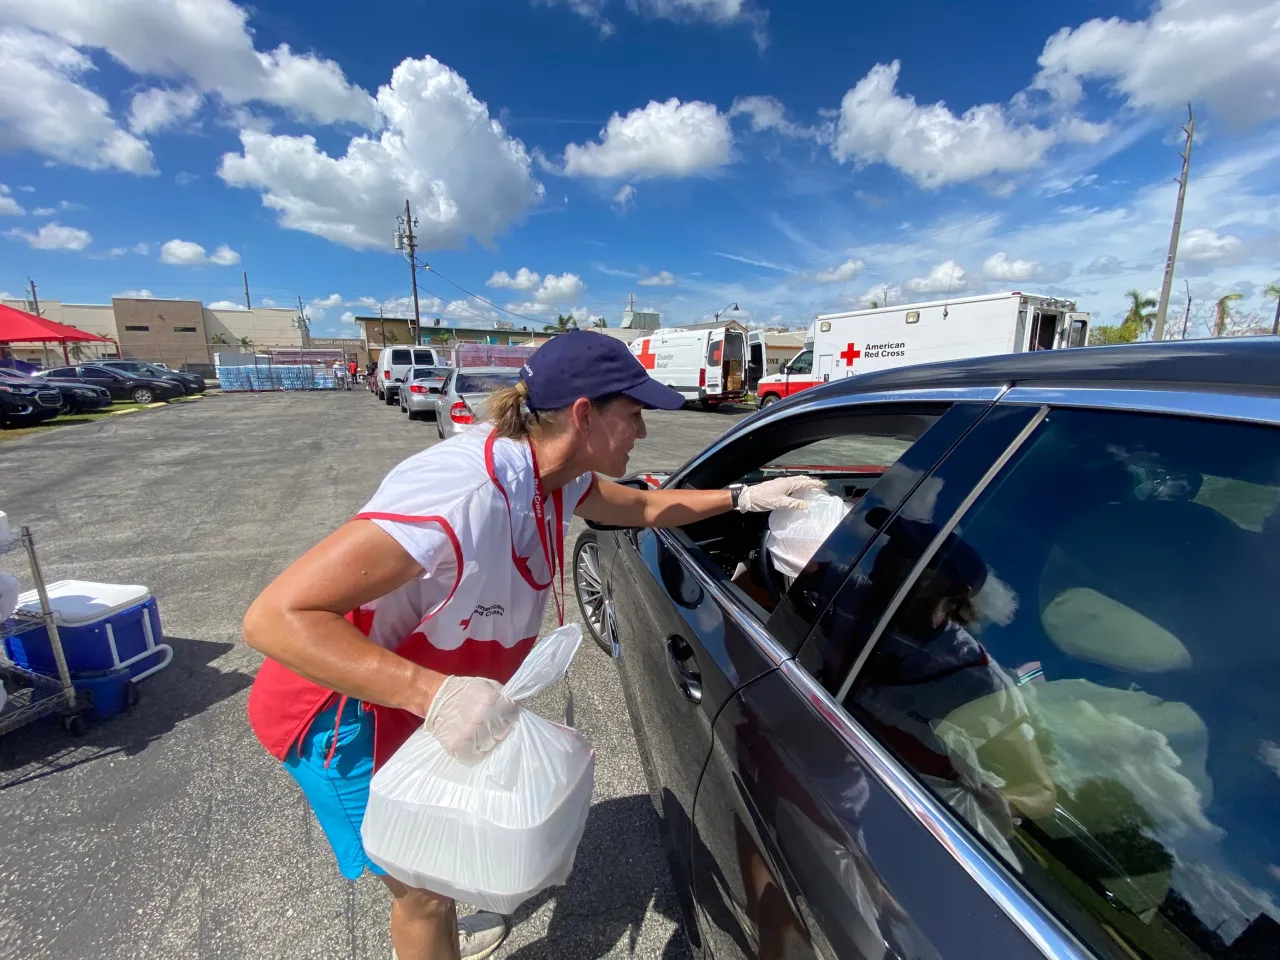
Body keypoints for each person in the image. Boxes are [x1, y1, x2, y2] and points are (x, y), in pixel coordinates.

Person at [243, 331, 822, 960]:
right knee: (421, 891)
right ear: (583, 414)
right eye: (633, 416)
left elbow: (645, 507)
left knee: (441, 856)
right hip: (340, 713)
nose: (643, 434)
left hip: (421, 705)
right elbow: (276, 617)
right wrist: (432, 694)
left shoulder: (557, 478)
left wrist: (742, 498)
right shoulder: (461, 494)